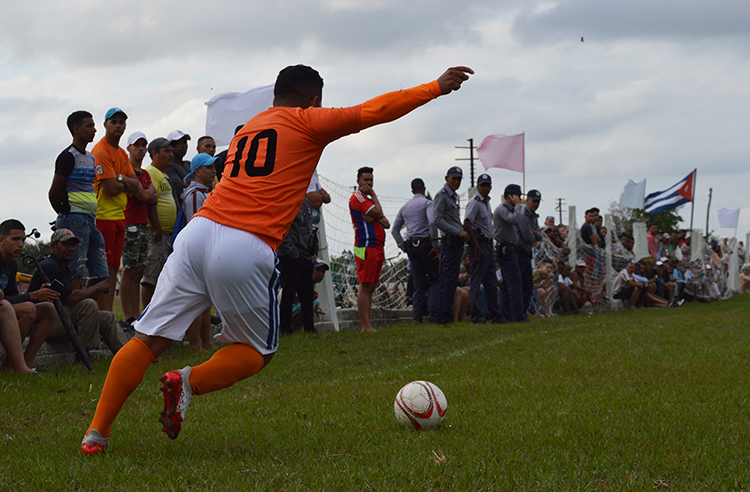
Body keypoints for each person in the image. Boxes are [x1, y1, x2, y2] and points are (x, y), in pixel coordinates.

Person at [79, 64, 474, 456]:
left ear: (274, 97)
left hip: (197, 233)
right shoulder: (308, 120)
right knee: (257, 352)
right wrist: (434, 87)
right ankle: (188, 382)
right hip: (245, 243)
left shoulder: (251, 125)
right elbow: (376, 110)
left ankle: (96, 433)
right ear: (314, 100)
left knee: (149, 339)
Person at [28, 229, 127, 356]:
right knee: (88, 305)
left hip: (58, 319)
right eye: (65, 245)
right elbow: (71, 299)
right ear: (53, 247)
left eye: (73, 245)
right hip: (43, 325)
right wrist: (96, 288)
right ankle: (84, 355)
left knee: (107, 317)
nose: (70, 248)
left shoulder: (64, 268)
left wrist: (95, 290)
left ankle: (126, 355)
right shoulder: (50, 266)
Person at [48, 110, 109, 293]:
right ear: (76, 129)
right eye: (89, 126)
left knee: (101, 272)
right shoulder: (68, 156)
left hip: (90, 219)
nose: (95, 130)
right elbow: (54, 192)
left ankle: (88, 309)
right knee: (76, 269)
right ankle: (74, 314)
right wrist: (63, 214)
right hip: (75, 218)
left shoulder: (90, 158)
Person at [91, 108, 143, 312]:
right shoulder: (101, 151)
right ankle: (100, 316)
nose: (118, 125)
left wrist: (119, 178)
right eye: (114, 122)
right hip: (103, 216)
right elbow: (112, 189)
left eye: (122, 122)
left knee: (112, 269)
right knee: (103, 271)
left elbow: (136, 185)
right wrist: (124, 180)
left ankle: (108, 316)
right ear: (105, 125)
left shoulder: (121, 153)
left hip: (119, 217)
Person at [0, 219, 58, 371]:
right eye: (15, 239)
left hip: (5, 309)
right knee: (28, 309)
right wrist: (33, 296)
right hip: (3, 309)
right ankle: (11, 365)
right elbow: (4, 300)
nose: (21, 244)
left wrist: (36, 294)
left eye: (23, 240)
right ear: (1, 240)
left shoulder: (11, 262)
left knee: (48, 309)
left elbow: (11, 296)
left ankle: (26, 363)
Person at [181, 153, 219, 350]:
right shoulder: (194, 194)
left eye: (214, 167)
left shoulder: (207, 191)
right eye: (208, 167)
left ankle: (207, 342)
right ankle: (195, 343)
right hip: (199, 252)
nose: (213, 171)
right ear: (197, 171)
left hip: (208, 250)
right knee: (197, 300)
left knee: (205, 300)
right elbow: (195, 225)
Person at [120, 132, 157, 327]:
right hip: (130, 224)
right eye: (137, 145)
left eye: (144, 145)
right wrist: (146, 193)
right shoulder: (127, 171)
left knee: (139, 269)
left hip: (142, 224)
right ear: (129, 148)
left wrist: (146, 193)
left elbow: (153, 197)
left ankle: (136, 313)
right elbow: (145, 195)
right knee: (130, 269)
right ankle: (129, 315)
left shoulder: (145, 173)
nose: (141, 149)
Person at [391, 178, 440, 323]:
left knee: (418, 283)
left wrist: (404, 246)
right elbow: (432, 221)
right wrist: (435, 244)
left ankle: (416, 317)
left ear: (412, 191)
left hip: (411, 245)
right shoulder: (427, 203)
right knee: (434, 279)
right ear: (424, 189)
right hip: (425, 244)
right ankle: (433, 313)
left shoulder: (405, 207)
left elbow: (394, 230)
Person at [349, 167, 390, 333]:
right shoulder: (359, 197)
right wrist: (374, 200)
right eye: (365, 180)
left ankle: (368, 324)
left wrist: (374, 215)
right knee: (365, 286)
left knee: (372, 286)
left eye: (371, 180)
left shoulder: (368, 201)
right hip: (366, 246)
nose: (368, 183)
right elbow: (380, 213)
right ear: (358, 181)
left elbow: (386, 222)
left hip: (377, 246)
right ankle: (365, 326)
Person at [140, 138, 177, 308]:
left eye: (171, 151)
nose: (171, 154)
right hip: (156, 234)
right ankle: (147, 315)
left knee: (162, 277)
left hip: (165, 235)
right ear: (154, 154)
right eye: (166, 151)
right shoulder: (151, 172)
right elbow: (150, 200)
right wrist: (157, 228)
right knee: (151, 277)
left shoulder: (163, 174)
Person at [462, 174, 503, 323]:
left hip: (487, 244)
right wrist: (476, 246)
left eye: (488, 185)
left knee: (491, 282)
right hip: (479, 245)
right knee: (476, 281)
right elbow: (467, 223)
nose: (486, 188)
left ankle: (495, 314)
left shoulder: (486, 202)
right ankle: (477, 315)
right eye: (483, 185)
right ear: (478, 187)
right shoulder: (475, 202)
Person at [432, 166, 467, 324]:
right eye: (453, 179)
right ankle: (443, 316)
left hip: (456, 242)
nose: (456, 182)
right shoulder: (442, 196)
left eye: (459, 179)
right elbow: (437, 220)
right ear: (447, 178)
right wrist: (457, 231)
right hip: (449, 241)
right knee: (447, 280)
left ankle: (445, 315)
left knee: (451, 280)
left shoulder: (453, 196)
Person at [278, 196, 317, 334]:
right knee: (289, 292)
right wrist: (293, 252)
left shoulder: (306, 202)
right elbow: (282, 228)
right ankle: (285, 329)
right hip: (290, 255)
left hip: (306, 254)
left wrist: (312, 251)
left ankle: (309, 328)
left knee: (307, 293)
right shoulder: (286, 200)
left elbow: (310, 228)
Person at [493, 184, 530, 323]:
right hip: (505, 250)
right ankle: (517, 315)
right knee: (515, 283)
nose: (519, 199)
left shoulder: (511, 209)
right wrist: (519, 206)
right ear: (511, 196)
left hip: (511, 250)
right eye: (518, 196)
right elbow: (513, 219)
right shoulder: (502, 209)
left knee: (508, 284)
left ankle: (506, 313)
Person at [518, 189, 542, 314]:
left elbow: (540, 235)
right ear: (527, 200)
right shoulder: (523, 214)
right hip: (520, 251)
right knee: (520, 284)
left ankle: (523, 311)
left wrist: (535, 233)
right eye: (534, 201)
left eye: (538, 202)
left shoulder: (533, 216)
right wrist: (534, 234)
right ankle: (517, 312)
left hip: (527, 252)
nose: (536, 204)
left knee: (528, 284)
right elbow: (528, 236)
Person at [165, 130, 192, 207]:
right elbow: (179, 187)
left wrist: (188, 182)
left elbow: (205, 185)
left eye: (184, 142)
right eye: (179, 143)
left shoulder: (189, 164)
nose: (183, 146)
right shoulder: (168, 166)